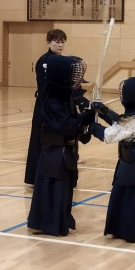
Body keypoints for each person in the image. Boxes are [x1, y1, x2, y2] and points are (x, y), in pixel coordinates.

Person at [27, 54, 94, 236]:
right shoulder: (52, 100)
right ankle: (49, 223)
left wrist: (85, 121)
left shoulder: (64, 97)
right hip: (54, 152)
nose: (76, 79)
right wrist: (84, 118)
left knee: (63, 190)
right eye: (73, 75)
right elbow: (64, 125)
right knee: (53, 189)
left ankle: (59, 221)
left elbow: (73, 124)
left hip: (64, 151)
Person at [89, 77, 135, 243]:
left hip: (134, 163)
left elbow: (109, 135)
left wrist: (91, 126)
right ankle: (122, 228)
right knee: (124, 194)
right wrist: (103, 111)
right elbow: (120, 122)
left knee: (133, 197)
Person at [24, 29, 67, 191]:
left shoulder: (63, 61)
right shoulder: (44, 61)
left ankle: (55, 176)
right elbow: (46, 88)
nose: (60, 45)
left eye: (62, 42)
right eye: (56, 42)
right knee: (39, 141)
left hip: (59, 107)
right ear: (48, 43)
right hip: (45, 107)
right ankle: (35, 178)